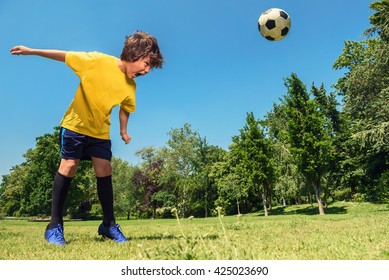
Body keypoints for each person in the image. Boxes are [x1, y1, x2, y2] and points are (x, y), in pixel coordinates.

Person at [10, 31, 164, 246]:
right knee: (69, 165)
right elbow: (65, 55)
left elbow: (125, 108)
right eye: (146, 64)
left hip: (100, 132)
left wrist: (123, 131)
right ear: (134, 54)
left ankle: (108, 225)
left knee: (105, 169)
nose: (147, 70)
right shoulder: (97, 61)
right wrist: (32, 51)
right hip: (75, 126)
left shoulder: (130, 86)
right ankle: (54, 226)